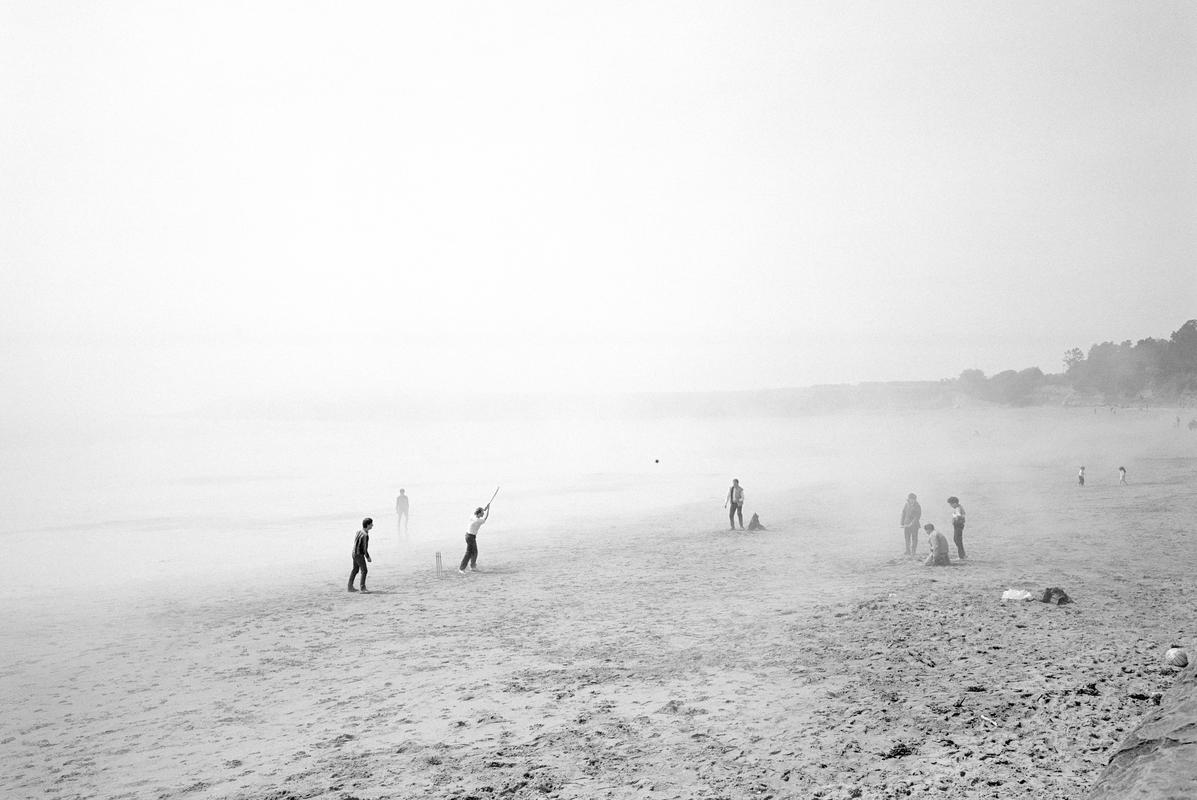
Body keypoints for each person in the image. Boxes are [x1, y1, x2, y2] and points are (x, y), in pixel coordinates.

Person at [459, 503, 490, 574]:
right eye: (482, 513)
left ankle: (472, 566)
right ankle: (461, 568)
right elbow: (486, 517)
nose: (483, 514)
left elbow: (477, 513)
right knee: (469, 553)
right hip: (470, 537)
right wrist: (488, 509)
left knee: (475, 552)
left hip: (469, 536)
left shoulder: (472, 516)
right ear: (479, 513)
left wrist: (484, 509)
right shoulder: (478, 521)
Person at [348, 517, 373, 592]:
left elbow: (355, 542)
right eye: (371, 524)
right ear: (368, 525)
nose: (372, 525)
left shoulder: (359, 531)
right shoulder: (365, 535)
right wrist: (368, 557)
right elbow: (364, 548)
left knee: (355, 569)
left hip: (354, 553)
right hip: (359, 554)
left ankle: (349, 587)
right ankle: (363, 588)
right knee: (364, 570)